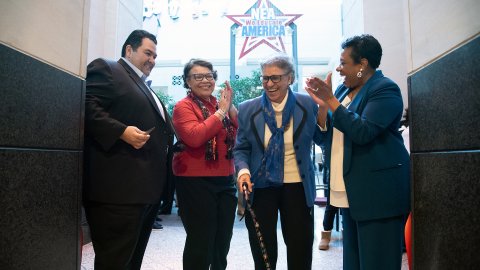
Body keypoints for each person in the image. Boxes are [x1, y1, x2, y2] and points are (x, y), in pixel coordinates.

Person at [304, 34, 410, 270]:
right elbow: (323, 137)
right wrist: (323, 107)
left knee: (377, 262)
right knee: (353, 263)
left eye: (344, 63)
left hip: (377, 194)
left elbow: (363, 131)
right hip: (349, 191)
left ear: (362, 65)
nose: (339, 70)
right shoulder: (342, 91)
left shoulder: (385, 89)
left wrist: (330, 100)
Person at [83, 29, 175, 269]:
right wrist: (121, 131)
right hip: (118, 193)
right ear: (129, 50)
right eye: (148, 53)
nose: (152, 60)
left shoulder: (142, 84)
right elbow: (84, 104)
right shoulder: (108, 69)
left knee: (131, 261)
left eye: (155, 56)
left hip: (144, 192)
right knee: (114, 261)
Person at [234, 54, 323, 270]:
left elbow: (323, 139)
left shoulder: (308, 104)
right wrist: (243, 171)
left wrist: (325, 108)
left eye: (275, 78)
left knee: (299, 247)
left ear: (290, 78)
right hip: (260, 185)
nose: (269, 84)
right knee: (263, 249)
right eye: (265, 78)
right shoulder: (247, 108)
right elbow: (241, 148)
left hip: (297, 185)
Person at [172, 58, 238, 270]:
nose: (205, 80)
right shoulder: (183, 106)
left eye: (209, 76)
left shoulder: (221, 105)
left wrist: (230, 106)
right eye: (197, 76)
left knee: (222, 240)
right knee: (200, 241)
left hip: (225, 179)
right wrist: (221, 112)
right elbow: (194, 137)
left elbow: (238, 133)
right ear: (187, 81)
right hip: (194, 181)